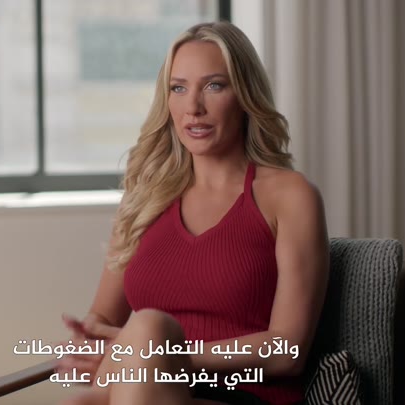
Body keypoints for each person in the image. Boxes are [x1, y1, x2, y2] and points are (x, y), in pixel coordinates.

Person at [55, 21, 329, 405]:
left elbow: (288, 351)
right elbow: (103, 319)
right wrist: (92, 343)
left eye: (214, 86)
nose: (193, 107)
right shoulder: (144, 199)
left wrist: (162, 357)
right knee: (80, 401)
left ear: (245, 95)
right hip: (142, 387)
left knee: (149, 327)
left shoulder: (290, 196)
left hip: (243, 393)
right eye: (178, 88)